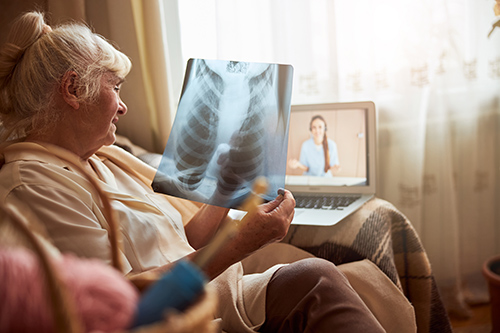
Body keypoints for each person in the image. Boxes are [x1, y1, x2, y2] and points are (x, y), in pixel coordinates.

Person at [0, 11, 385, 333]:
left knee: (333, 278)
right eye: (114, 86)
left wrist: (224, 191)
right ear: (72, 89)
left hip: (209, 289)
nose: (123, 107)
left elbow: (178, 240)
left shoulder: (100, 160)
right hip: (179, 317)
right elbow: (114, 300)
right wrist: (238, 244)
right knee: (316, 278)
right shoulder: (32, 187)